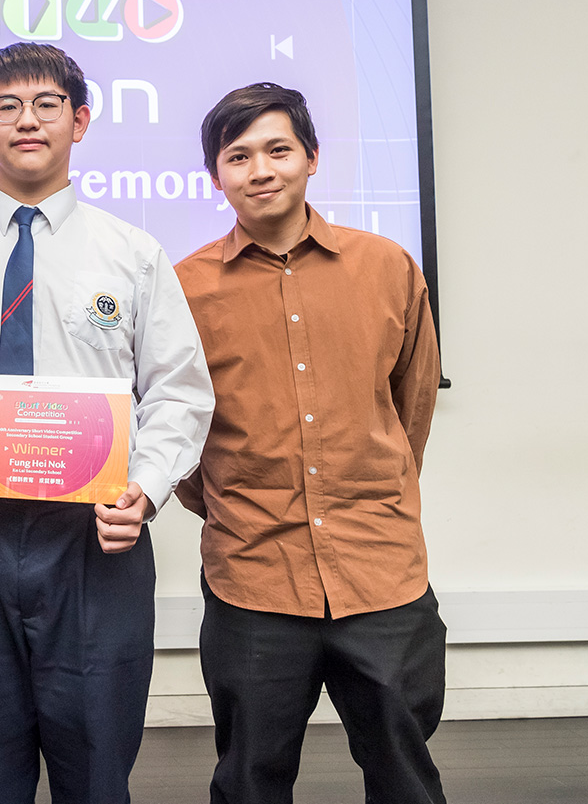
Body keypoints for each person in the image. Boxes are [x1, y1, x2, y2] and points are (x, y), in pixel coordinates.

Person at [0, 42, 215, 804]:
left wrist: (147, 493)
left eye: (47, 104)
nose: (27, 121)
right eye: (6, 106)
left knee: (96, 773)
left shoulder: (133, 254)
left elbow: (179, 391)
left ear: (81, 120)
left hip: (95, 539)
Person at [174, 82, 445, 804]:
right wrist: (238, 500)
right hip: (253, 573)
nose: (259, 169)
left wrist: (371, 490)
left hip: (379, 569)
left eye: (277, 149)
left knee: (405, 775)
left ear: (313, 158)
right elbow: (176, 431)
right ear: (216, 176)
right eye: (238, 155)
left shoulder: (387, 266)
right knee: (250, 779)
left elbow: (410, 405)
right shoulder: (184, 289)